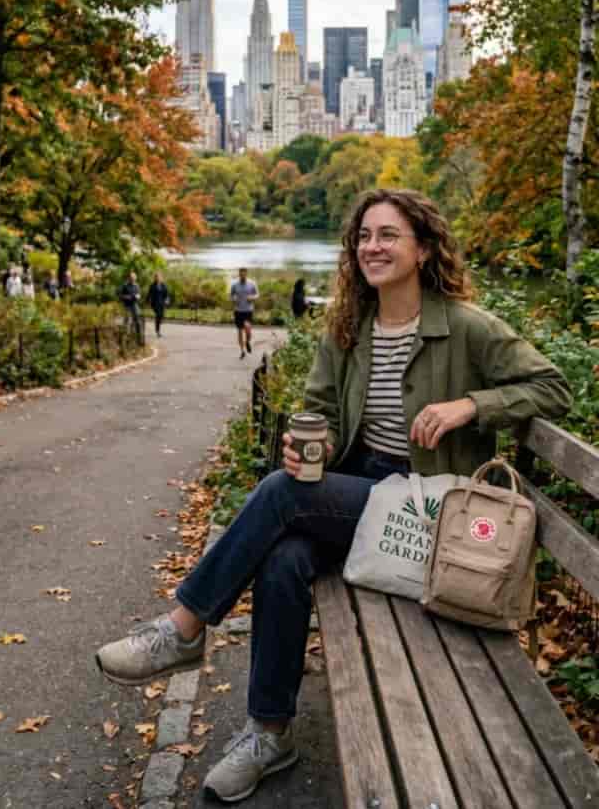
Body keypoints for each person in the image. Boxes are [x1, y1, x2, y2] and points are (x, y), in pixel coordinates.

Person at [96, 188, 571, 803]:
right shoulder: (350, 328)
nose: (371, 247)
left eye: (388, 235)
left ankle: (185, 628)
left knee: (283, 496)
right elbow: (316, 408)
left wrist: (471, 405)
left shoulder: (466, 327)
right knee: (284, 555)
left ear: (423, 249)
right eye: (363, 236)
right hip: (360, 492)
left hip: (426, 511)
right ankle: (269, 733)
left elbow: (551, 387)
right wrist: (300, 442)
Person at [230, 267, 259, 359]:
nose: (242, 276)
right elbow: (231, 295)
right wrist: (233, 299)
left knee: (248, 329)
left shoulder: (252, 283)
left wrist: (253, 298)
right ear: (239, 274)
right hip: (238, 311)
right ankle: (242, 351)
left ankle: (247, 342)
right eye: (241, 274)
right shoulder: (234, 284)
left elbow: (257, 294)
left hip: (248, 310)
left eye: (244, 274)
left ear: (246, 274)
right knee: (239, 331)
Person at [119, 271, 142, 339]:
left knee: (138, 319)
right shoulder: (125, 286)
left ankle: (138, 335)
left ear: (135, 278)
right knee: (127, 320)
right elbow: (120, 295)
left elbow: (139, 294)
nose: (132, 279)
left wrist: (138, 296)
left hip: (135, 304)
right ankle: (126, 335)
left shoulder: (137, 285)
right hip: (127, 305)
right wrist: (126, 297)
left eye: (134, 278)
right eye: (131, 277)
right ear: (129, 278)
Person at [147, 272, 169, 337]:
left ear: (161, 278)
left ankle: (159, 323)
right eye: (156, 277)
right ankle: (158, 331)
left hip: (162, 303)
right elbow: (149, 294)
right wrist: (147, 302)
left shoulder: (163, 285)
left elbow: (166, 294)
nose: (158, 278)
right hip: (154, 303)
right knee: (158, 315)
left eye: (159, 277)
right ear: (155, 278)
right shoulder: (152, 285)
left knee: (161, 315)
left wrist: (167, 300)